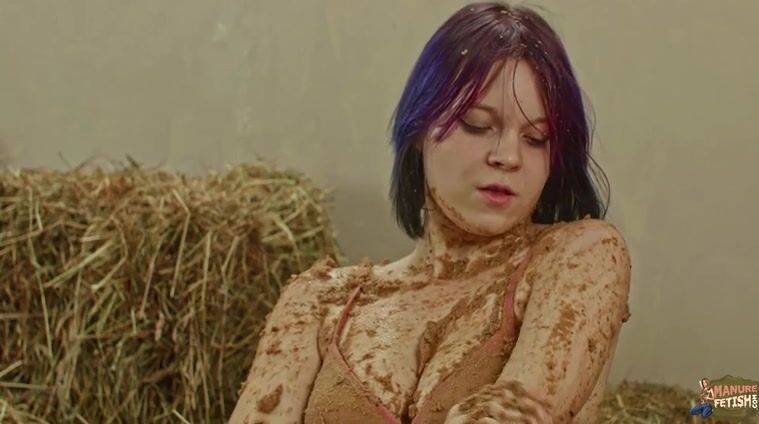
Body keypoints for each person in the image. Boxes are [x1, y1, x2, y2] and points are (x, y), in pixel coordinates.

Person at [229, 2, 631, 423]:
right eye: (477, 125)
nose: (508, 156)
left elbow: (521, 412)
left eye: (536, 139)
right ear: (420, 126)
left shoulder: (579, 256)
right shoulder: (318, 302)